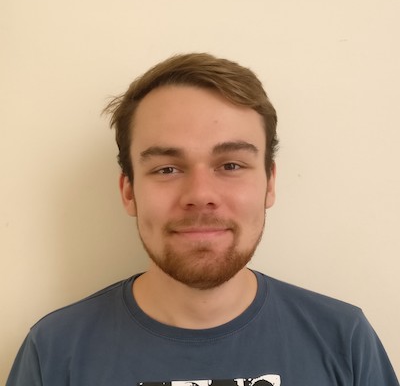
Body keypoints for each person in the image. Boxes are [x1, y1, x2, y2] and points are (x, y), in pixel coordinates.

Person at [7, 53, 398, 386]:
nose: (200, 195)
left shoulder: (344, 340)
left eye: (230, 165)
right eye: (166, 169)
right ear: (128, 191)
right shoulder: (54, 351)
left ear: (269, 183)